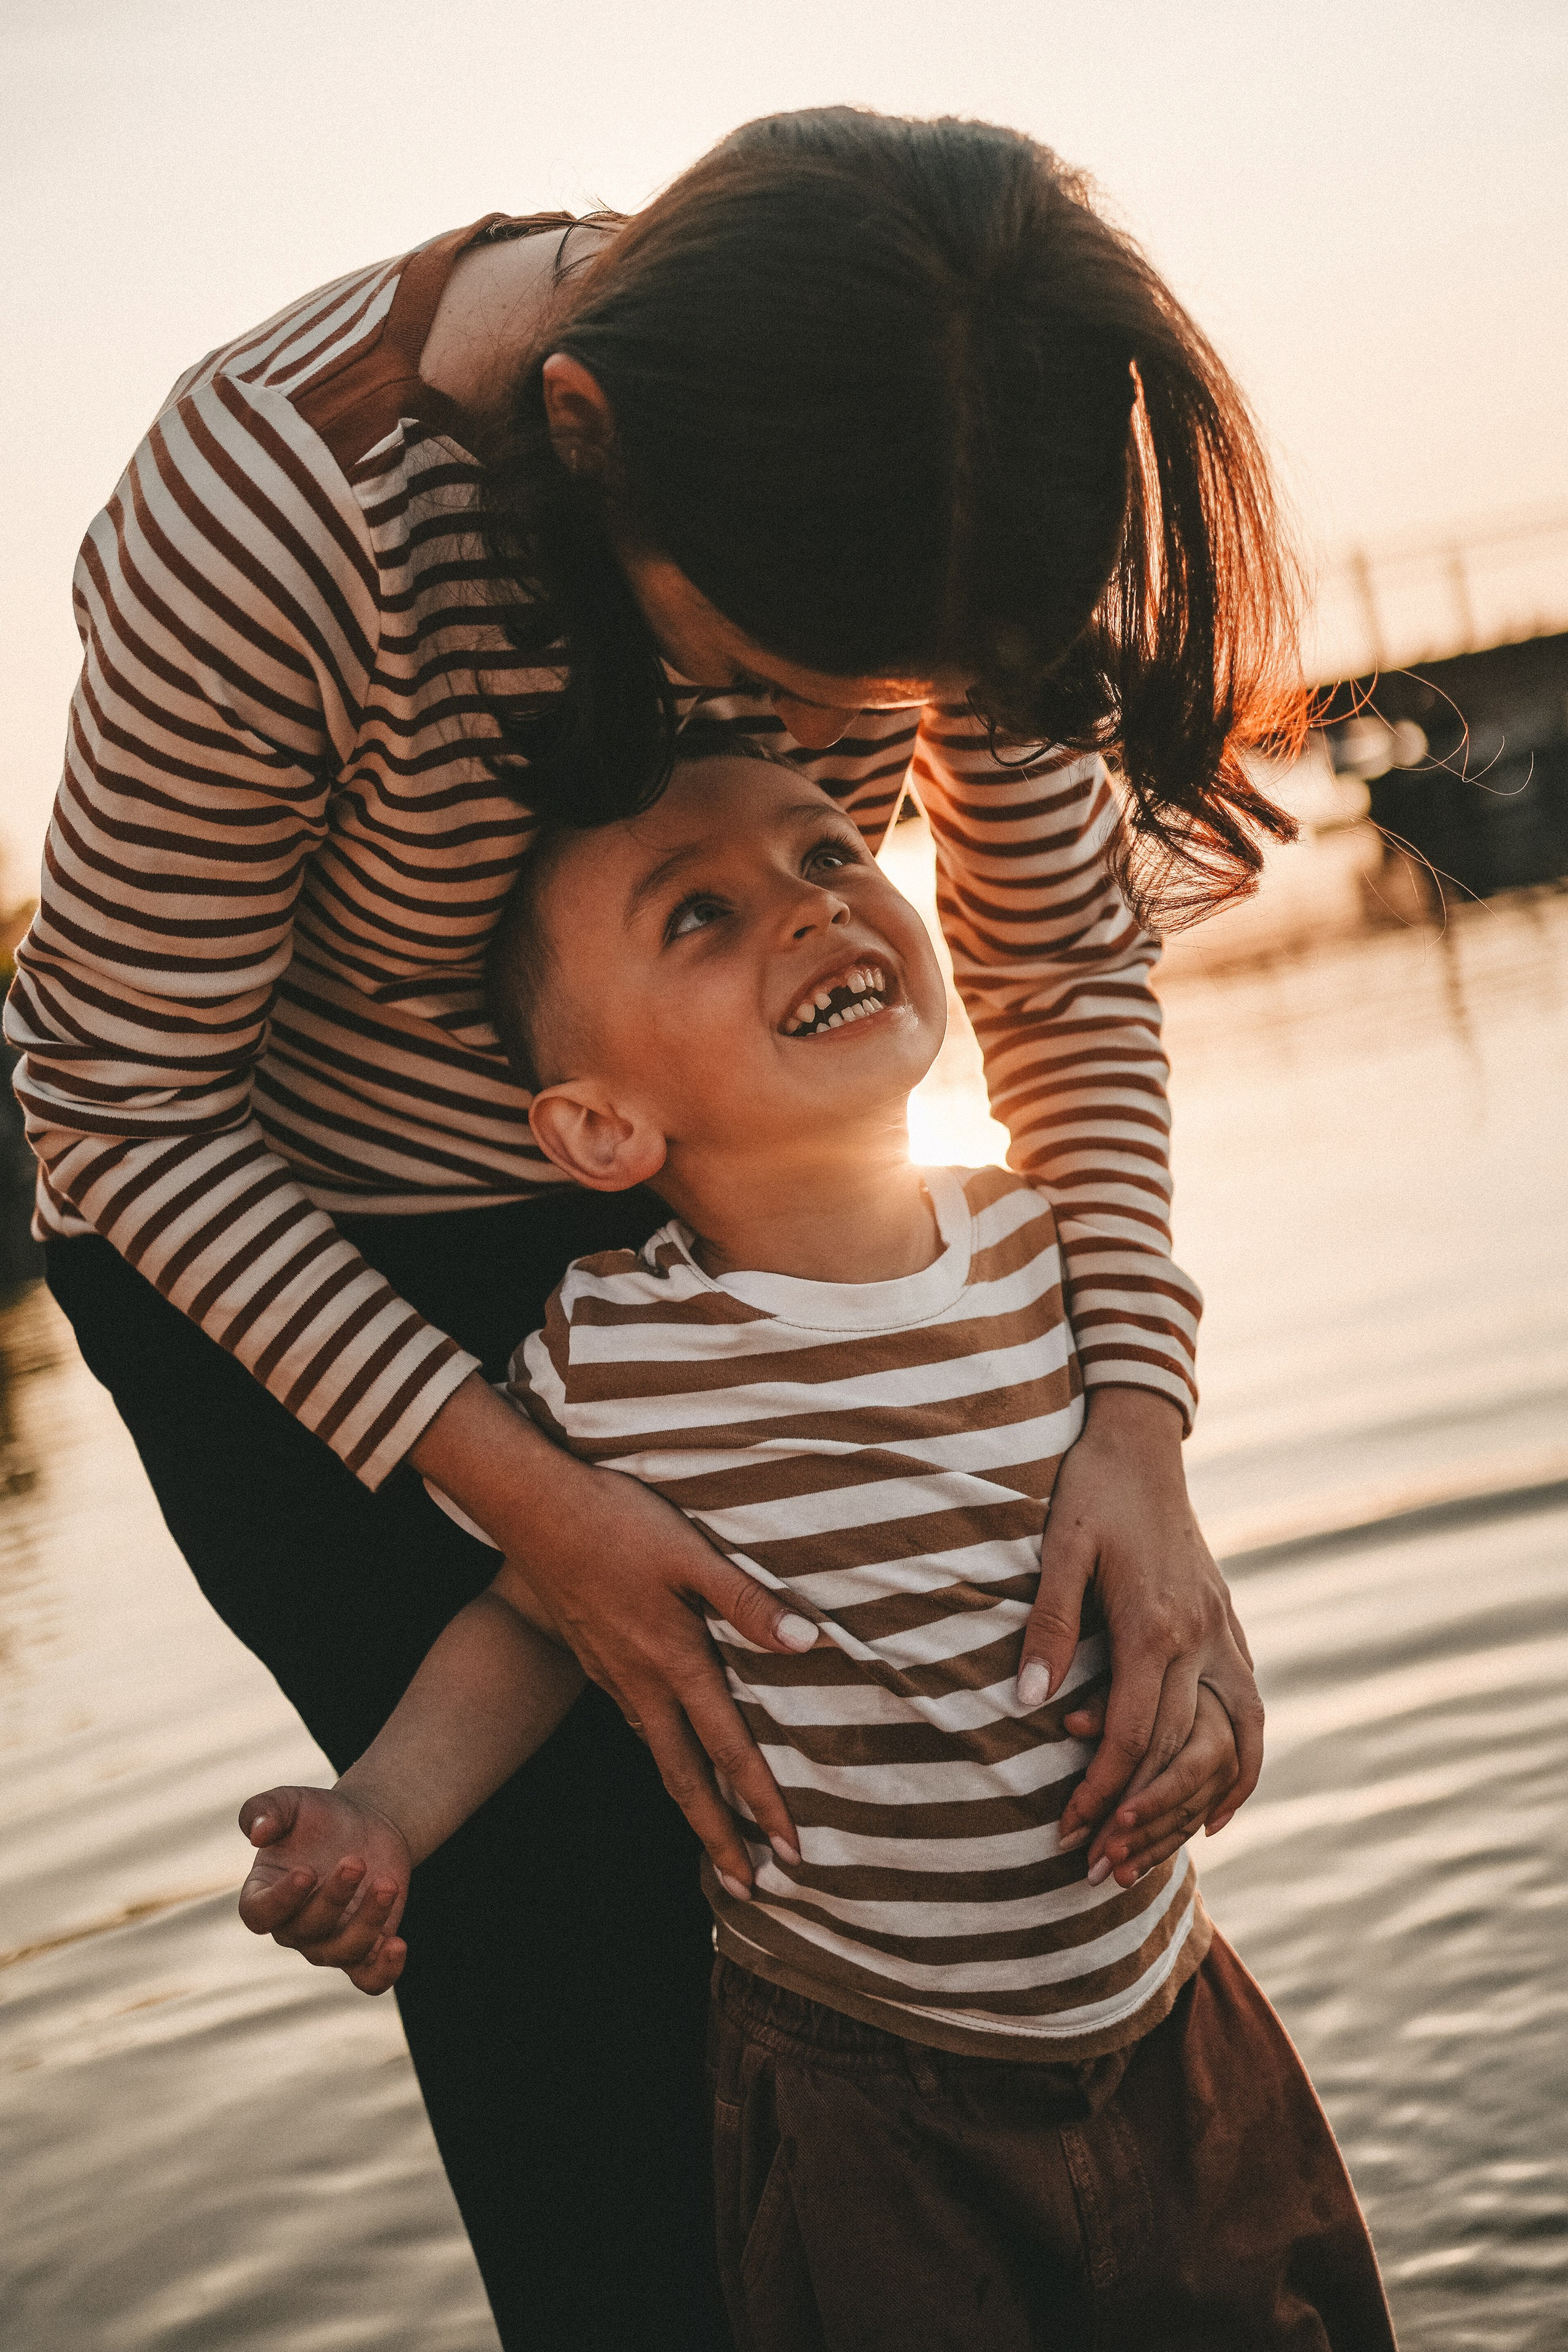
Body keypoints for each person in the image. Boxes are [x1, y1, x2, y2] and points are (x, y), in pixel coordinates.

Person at [8, 107, 1297, 2348]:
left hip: (697, 1164)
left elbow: (1060, 962)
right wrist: (550, 1515)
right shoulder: (279, 511)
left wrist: (1139, 1443)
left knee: (969, 1756)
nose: (843, 745)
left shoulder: (938, 437)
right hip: (300, 1229)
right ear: (586, 437)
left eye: (886, 704)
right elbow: (119, 1103)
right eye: (805, 672)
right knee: (578, 1920)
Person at [236, 740, 1395, 2351]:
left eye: (834, 853)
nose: (807, 908)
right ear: (599, 1128)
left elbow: (1151, 1561)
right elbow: (533, 1622)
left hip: (1175, 2019)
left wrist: (1201, 1713)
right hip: (877, 2096)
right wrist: (382, 1810)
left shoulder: (1047, 1252)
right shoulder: (621, 1357)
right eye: (700, 916)